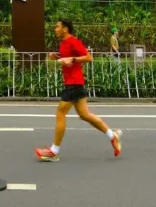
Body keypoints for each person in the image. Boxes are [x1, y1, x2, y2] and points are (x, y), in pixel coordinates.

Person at [35, 19, 122, 162]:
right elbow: (68, 58)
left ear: (65, 29)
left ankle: (53, 151)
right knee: (84, 115)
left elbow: (89, 57)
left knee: (60, 113)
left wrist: (73, 59)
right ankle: (112, 136)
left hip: (74, 83)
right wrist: (57, 56)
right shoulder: (63, 43)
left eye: (57, 27)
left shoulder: (73, 41)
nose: (55, 29)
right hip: (75, 82)